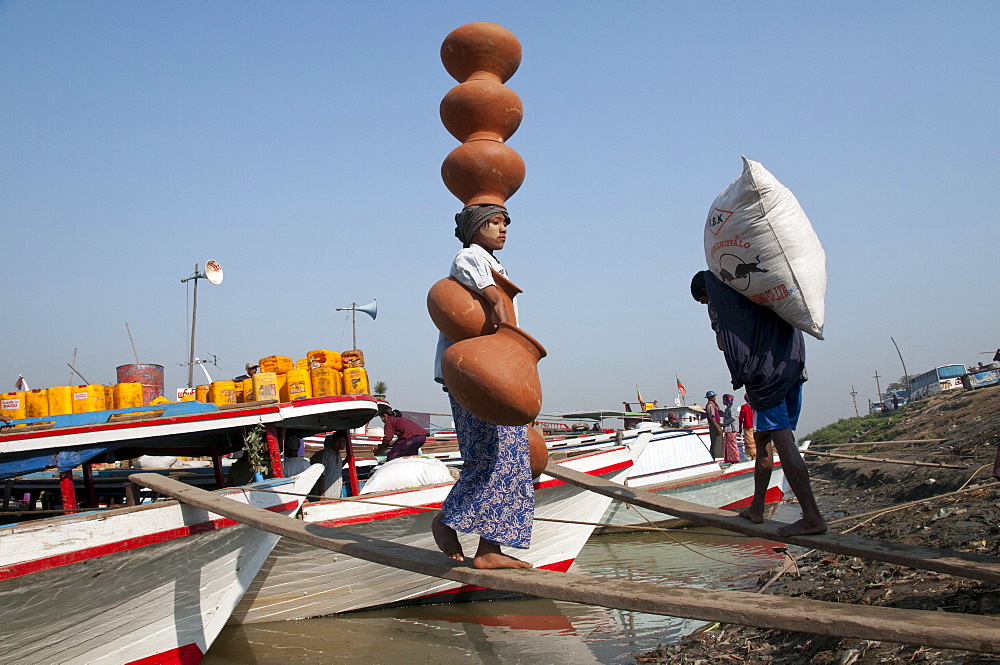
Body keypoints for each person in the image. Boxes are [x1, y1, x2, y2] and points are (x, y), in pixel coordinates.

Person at [431, 203, 534, 570]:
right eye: (494, 223)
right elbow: (494, 302)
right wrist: (510, 348)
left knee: (511, 459)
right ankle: (446, 522)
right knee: (487, 457)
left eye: (505, 223)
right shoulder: (468, 258)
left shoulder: (493, 263)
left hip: (492, 374)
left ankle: (489, 549)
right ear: (475, 229)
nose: (503, 229)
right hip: (476, 375)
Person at [691, 270, 826, 537]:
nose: (707, 306)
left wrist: (718, 325)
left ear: (707, 293)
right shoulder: (755, 291)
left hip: (768, 379)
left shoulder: (725, 302)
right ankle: (757, 507)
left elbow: (723, 343)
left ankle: (812, 517)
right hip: (793, 370)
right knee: (763, 440)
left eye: (704, 301)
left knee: (783, 440)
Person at [311, 430, 348, 499]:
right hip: (326, 494)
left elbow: (335, 469)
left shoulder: (338, 457)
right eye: (338, 441)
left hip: (335, 494)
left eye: (343, 441)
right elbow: (321, 476)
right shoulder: (325, 455)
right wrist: (322, 496)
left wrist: (346, 461)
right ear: (333, 441)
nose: (340, 444)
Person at [721, 394, 740, 463]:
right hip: (728, 429)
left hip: (731, 429)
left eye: (724, 400)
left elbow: (732, 418)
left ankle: (735, 458)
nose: (722, 401)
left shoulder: (731, 409)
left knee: (732, 445)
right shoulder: (728, 409)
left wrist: (725, 423)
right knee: (729, 445)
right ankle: (732, 459)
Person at [704, 391, 723, 459]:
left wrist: (715, 402)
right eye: (714, 396)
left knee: (718, 441)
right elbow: (712, 417)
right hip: (714, 424)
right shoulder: (710, 405)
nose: (715, 398)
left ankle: (716, 456)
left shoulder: (713, 404)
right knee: (716, 441)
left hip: (716, 423)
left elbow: (718, 408)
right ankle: (716, 456)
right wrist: (717, 427)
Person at [739, 393, 757, 459]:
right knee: (755, 440)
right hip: (755, 425)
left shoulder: (744, 407)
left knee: (749, 441)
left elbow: (741, 418)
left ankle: (753, 455)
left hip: (747, 426)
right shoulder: (754, 406)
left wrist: (740, 427)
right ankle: (755, 454)